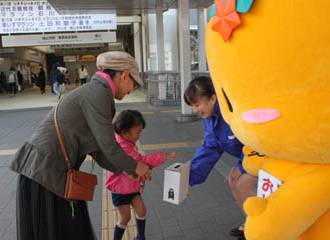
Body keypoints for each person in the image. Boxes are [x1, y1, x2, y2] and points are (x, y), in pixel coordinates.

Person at [10, 51, 152, 240]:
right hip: (46, 173)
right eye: (133, 83)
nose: (131, 89)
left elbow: (98, 150)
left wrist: (126, 170)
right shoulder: (98, 93)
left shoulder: (97, 92)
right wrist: (135, 166)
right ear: (124, 75)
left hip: (49, 172)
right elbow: (108, 144)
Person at [184, 76, 255, 240]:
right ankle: (251, 223)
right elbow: (209, 149)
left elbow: (252, 139)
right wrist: (188, 178)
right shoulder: (210, 118)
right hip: (248, 158)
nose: (194, 110)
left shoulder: (233, 111)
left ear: (212, 98)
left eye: (197, 104)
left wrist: (243, 165)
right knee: (233, 180)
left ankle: (263, 228)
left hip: (265, 155)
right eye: (192, 106)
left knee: (243, 183)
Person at [105, 110, 178, 240]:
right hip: (120, 190)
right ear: (124, 133)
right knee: (125, 218)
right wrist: (164, 156)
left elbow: (139, 168)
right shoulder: (122, 147)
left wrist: (141, 183)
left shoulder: (128, 142)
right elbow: (141, 162)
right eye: (137, 132)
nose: (139, 136)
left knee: (142, 211)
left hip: (132, 188)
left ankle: (140, 237)